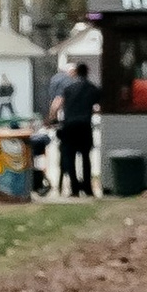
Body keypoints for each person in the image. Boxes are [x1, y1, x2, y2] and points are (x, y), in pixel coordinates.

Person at [53, 59, 97, 197]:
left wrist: (51, 119)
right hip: (84, 125)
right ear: (87, 72)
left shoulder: (68, 88)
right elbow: (99, 105)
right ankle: (88, 189)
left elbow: (57, 104)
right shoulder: (92, 88)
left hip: (69, 126)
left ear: (76, 72)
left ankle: (74, 189)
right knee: (85, 157)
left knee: (70, 157)